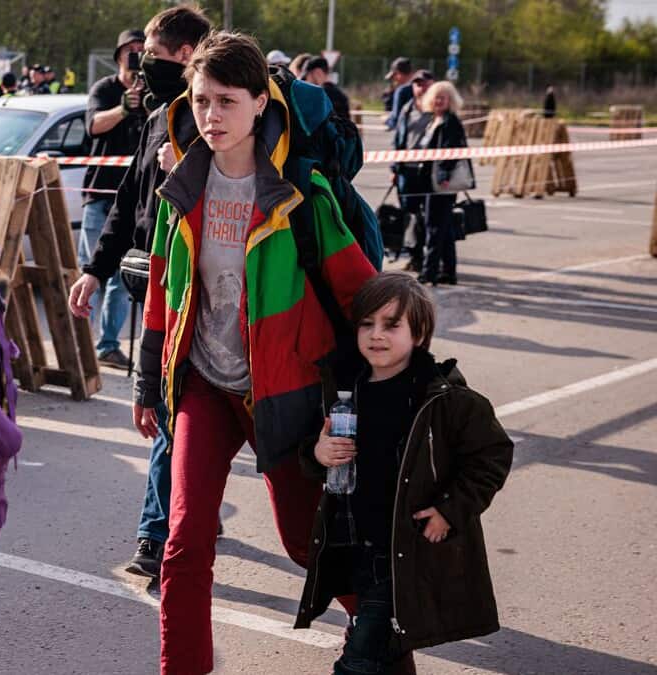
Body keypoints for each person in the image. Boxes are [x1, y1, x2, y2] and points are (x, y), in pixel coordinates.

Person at [140, 31, 375, 674]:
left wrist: (378, 385)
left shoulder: (300, 193)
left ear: (260, 104)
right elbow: (163, 287)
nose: (210, 115)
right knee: (183, 543)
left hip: (285, 395)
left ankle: (382, 642)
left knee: (307, 543)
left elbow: (361, 295)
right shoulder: (181, 186)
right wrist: (147, 381)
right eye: (200, 100)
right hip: (204, 387)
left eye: (227, 101)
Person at [296, 271, 513, 674]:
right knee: (387, 651)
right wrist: (318, 452)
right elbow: (312, 449)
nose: (376, 334)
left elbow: (492, 454)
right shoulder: (344, 387)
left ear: (420, 334)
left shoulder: (443, 396)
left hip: (407, 553)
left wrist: (450, 509)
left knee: (359, 660)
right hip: (358, 547)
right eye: (367, 324)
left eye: (392, 325)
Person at [68, 3, 212, 581]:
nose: (142, 64)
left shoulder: (218, 119)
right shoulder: (158, 117)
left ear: (184, 54)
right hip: (157, 288)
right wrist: (94, 271)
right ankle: (166, 526)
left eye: (151, 54)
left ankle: (167, 525)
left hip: (209, 294)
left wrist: (186, 169)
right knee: (168, 411)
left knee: (185, 415)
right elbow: (129, 201)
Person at [80, 29, 146, 369]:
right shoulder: (105, 89)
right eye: (130, 50)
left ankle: (107, 345)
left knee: (122, 279)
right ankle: (79, 346)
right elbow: (93, 126)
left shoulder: (151, 93)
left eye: (142, 50)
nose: (136, 56)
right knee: (90, 272)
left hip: (133, 199)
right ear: (119, 55)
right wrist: (123, 108)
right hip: (100, 193)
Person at [416, 80, 467, 285]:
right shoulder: (434, 120)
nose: (438, 101)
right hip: (430, 181)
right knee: (444, 229)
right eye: (436, 97)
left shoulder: (450, 122)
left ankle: (428, 273)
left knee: (434, 227)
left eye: (443, 98)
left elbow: (452, 151)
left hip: (441, 183)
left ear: (450, 100)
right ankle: (448, 271)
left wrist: (444, 175)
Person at [391, 70, 435, 272]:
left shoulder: (436, 109)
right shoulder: (407, 108)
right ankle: (415, 257)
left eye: (425, 84)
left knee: (429, 218)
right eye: (417, 84)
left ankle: (431, 259)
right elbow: (398, 140)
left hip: (428, 172)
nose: (421, 88)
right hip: (406, 171)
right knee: (410, 217)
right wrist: (394, 168)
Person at [300, 55, 350, 121]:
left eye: (306, 77)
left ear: (318, 73)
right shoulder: (341, 96)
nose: (305, 82)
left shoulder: (317, 96)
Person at [384, 57, 414, 129]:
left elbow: (396, 121)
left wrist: (386, 120)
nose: (394, 79)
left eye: (395, 75)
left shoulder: (401, 91)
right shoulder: (422, 87)